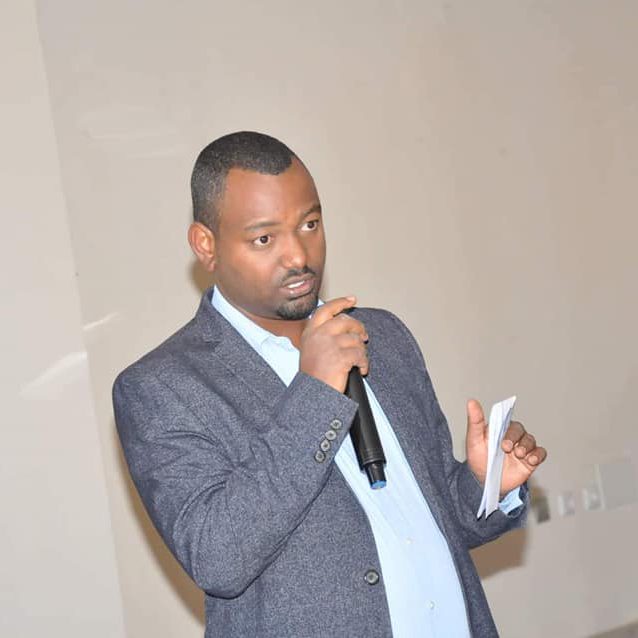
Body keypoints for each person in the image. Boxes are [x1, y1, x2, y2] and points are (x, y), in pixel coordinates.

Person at [113, 131, 547, 638]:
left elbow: (430, 522)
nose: (299, 256)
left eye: (310, 224)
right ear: (206, 245)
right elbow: (219, 557)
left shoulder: (382, 336)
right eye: (264, 239)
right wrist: (316, 392)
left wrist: (485, 483)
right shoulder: (161, 388)